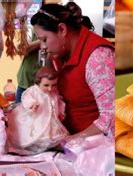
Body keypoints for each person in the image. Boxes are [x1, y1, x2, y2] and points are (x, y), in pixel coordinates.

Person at [31, 4, 115, 141]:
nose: (43, 47)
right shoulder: (58, 56)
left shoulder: (99, 57)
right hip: (68, 136)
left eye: (44, 40)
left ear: (62, 30)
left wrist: (71, 140)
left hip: (96, 145)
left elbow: (111, 117)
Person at [7, 67, 68, 155]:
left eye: (54, 85)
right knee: (36, 133)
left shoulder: (54, 92)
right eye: (46, 85)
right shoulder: (34, 91)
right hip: (37, 117)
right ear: (38, 82)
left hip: (50, 118)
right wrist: (32, 104)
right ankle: (36, 147)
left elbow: (59, 101)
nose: (50, 88)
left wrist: (61, 111)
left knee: (52, 134)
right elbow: (26, 98)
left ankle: (50, 147)